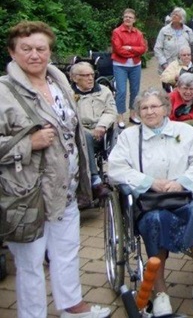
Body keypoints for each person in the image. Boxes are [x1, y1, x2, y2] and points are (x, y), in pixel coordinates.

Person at [0, 21, 109, 318]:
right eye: (26, 49)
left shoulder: (58, 81)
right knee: (30, 262)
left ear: (49, 51)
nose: (35, 55)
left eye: (41, 48)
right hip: (26, 193)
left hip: (66, 186)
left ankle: (72, 306)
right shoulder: (3, 91)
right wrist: (28, 144)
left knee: (67, 250)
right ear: (12, 52)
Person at [107, 88, 193, 315]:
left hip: (182, 195)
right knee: (155, 221)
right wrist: (149, 181)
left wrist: (183, 182)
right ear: (138, 112)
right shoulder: (129, 137)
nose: (149, 112)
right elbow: (116, 168)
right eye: (144, 108)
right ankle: (160, 293)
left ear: (166, 109)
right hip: (149, 202)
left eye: (154, 106)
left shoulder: (184, 132)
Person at [70, 61, 116, 200]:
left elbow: (110, 112)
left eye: (92, 75)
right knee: (82, 135)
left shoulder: (104, 91)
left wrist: (102, 125)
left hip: (98, 133)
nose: (90, 78)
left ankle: (95, 179)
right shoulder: (67, 93)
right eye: (85, 75)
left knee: (86, 136)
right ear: (74, 78)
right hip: (73, 134)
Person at [111, 8, 147, 128]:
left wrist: (131, 48)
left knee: (135, 91)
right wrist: (134, 51)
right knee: (121, 91)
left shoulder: (139, 33)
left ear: (134, 20)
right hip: (120, 65)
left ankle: (133, 115)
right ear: (123, 18)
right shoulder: (117, 32)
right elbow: (118, 49)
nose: (128, 19)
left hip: (135, 65)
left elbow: (143, 49)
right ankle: (120, 117)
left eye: (130, 17)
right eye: (126, 16)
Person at [153, 7, 193, 74]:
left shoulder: (188, 31)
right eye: (173, 14)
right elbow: (157, 48)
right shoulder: (164, 30)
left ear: (182, 18)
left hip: (184, 67)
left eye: (176, 15)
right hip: (168, 66)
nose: (173, 16)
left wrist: (189, 63)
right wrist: (164, 64)